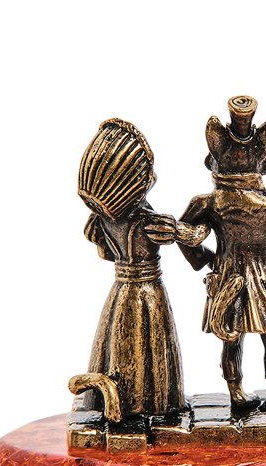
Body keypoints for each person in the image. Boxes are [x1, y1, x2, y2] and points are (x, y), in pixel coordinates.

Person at [149, 97, 266, 410]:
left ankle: (237, 394)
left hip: (228, 278)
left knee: (231, 339)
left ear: (214, 164)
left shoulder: (209, 203)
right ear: (261, 166)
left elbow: (186, 235)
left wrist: (204, 259)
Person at [75, 118, 189, 417]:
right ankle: (150, 406)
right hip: (147, 292)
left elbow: (105, 253)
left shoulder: (102, 219)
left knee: (116, 344)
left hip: (120, 290)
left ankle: (117, 402)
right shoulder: (147, 222)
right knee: (149, 349)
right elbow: (189, 236)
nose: (153, 178)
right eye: (146, 174)